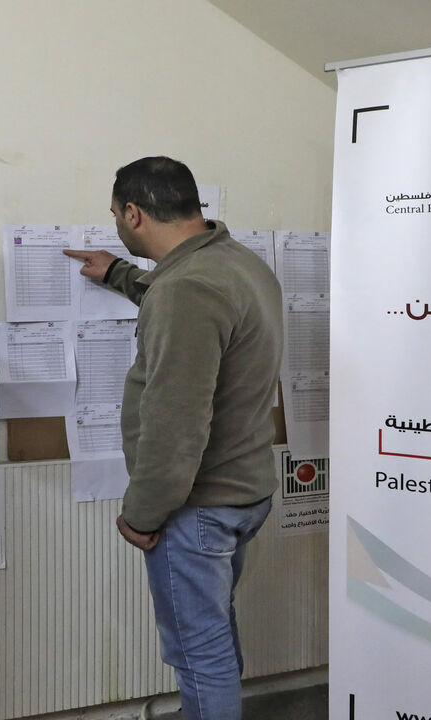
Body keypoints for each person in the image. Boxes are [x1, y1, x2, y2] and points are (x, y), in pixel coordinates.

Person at [63, 156, 283, 720]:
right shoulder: (236, 263)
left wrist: (143, 514)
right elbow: (182, 299)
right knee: (212, 635)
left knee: (197, 652)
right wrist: (117, 273)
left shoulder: (187, 288)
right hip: (243, 488)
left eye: (115, 214)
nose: (115, 221)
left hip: (196, 505)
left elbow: (175, 423)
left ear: (133, 213)